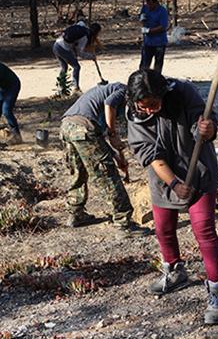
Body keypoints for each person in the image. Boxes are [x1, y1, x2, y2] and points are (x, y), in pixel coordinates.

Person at [126, 69, 218, 325]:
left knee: (203, 229)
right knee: (163, 228)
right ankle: (174, 271)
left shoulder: (183, 92)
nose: (150, 109)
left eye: (154, 103)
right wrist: (174, 183)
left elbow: (204, 121)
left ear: (163, 92)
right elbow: (150, 155)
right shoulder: (135, 116)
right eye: (144, 106)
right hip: (164, 176)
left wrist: (206, 129)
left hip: (198, 170)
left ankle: (217, 292)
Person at [60, 82, 152, 239]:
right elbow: (109, 104)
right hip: (84, 128)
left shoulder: (99, 97)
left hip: (67, 126)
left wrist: (116, 157)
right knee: (108, 176)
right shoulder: (123, 90)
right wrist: (113, 134)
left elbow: (96, 141)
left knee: (79, 171)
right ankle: (123, 223)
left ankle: (75, 213)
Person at [53, 21, 102, 94]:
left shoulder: (82, 27)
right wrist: (91, 56)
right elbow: (80, 53)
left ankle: (61, 88)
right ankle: (76, 88)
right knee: (76, 67)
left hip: (56, 45)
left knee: (64, 68)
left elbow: (80, 22)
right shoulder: (84, 37)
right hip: (63, 49)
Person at [139, 0, 169, 74]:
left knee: (158, 65)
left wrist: (149, 31)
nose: (149, 6)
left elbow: (163, 26)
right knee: (144, 64)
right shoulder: (145, 8)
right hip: (147, 42)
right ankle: (142, 79)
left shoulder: (162, 11)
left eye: (150, 4)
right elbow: (142, 20)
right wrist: (142, 20)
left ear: (156, 3)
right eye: (147, 4)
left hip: (159, 42)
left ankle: (156, 81)